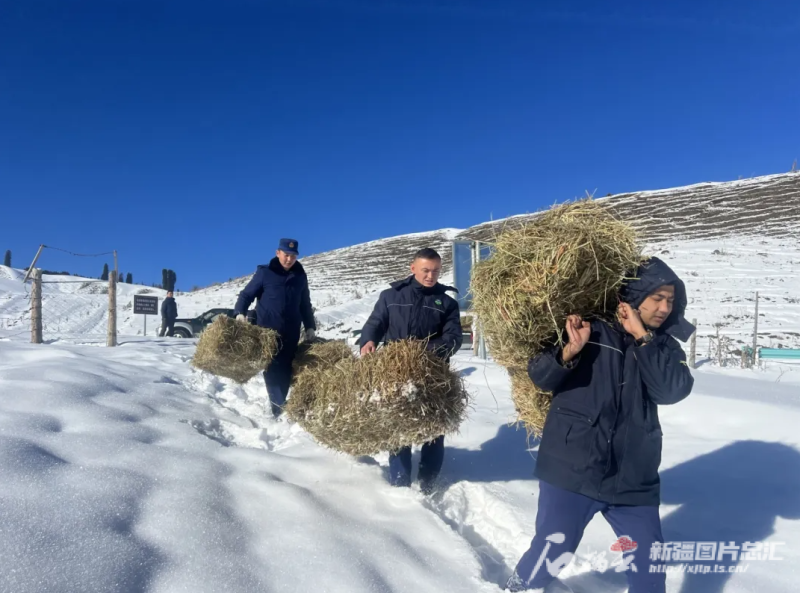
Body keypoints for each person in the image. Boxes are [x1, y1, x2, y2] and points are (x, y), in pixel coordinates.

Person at [505, 257, 695, 593]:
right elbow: (540, 377)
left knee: (649, 565)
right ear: (635, 295)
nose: (665, 307)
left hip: (633, 475)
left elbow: (671, 392)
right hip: (573, 466)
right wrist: (569, 351)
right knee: (553, 550)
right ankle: (518, 588)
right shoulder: (589, 329)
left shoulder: (664, 346)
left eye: (671, 300)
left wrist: (642, 339)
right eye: (658, 298)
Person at [359, 247, 463, 493]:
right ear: (412, 268)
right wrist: (368, 341)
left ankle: (429, 482)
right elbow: (374, 324)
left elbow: (453, 338)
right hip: (395, 374)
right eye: (425, 270)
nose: (430, 276)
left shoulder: (447, 303)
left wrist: (423, 353)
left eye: (436, 271)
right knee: (398, 425)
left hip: (433, 375)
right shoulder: (390, 296)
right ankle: (400, 482)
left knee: (434, 429)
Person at [234, 238, 316, 418]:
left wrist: (310, 326)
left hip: (291, 330)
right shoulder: (265, 273)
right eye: (286, 255)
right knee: (272, 366)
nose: (289, 259)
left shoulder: (300, 276)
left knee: (286, 368)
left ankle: (280, 403)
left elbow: (305, 304)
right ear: (278, 252)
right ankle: (278, 407)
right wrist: (240, 312)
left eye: (293, 256)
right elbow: (246, 295)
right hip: (267, 331)